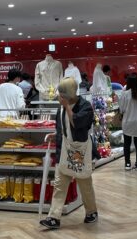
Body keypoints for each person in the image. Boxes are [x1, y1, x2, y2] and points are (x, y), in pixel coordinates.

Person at [39, 77, 98, 229]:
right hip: (64, 151)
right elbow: (63, 127)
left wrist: (67, 107)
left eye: (62, 94)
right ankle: (54, 217)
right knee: (59, 184)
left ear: (69, 94)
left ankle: (91, 211)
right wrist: (55, 135)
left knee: (84, 183)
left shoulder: (85, 107)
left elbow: (76, 123)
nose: (59, 97)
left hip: (79, 152)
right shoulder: (61, 108)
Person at [118, 73, 137, 171]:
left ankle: (127, 163)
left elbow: (121, 109)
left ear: (128, 82)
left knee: (127, 143)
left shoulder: (125, 94)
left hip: (127, 122)